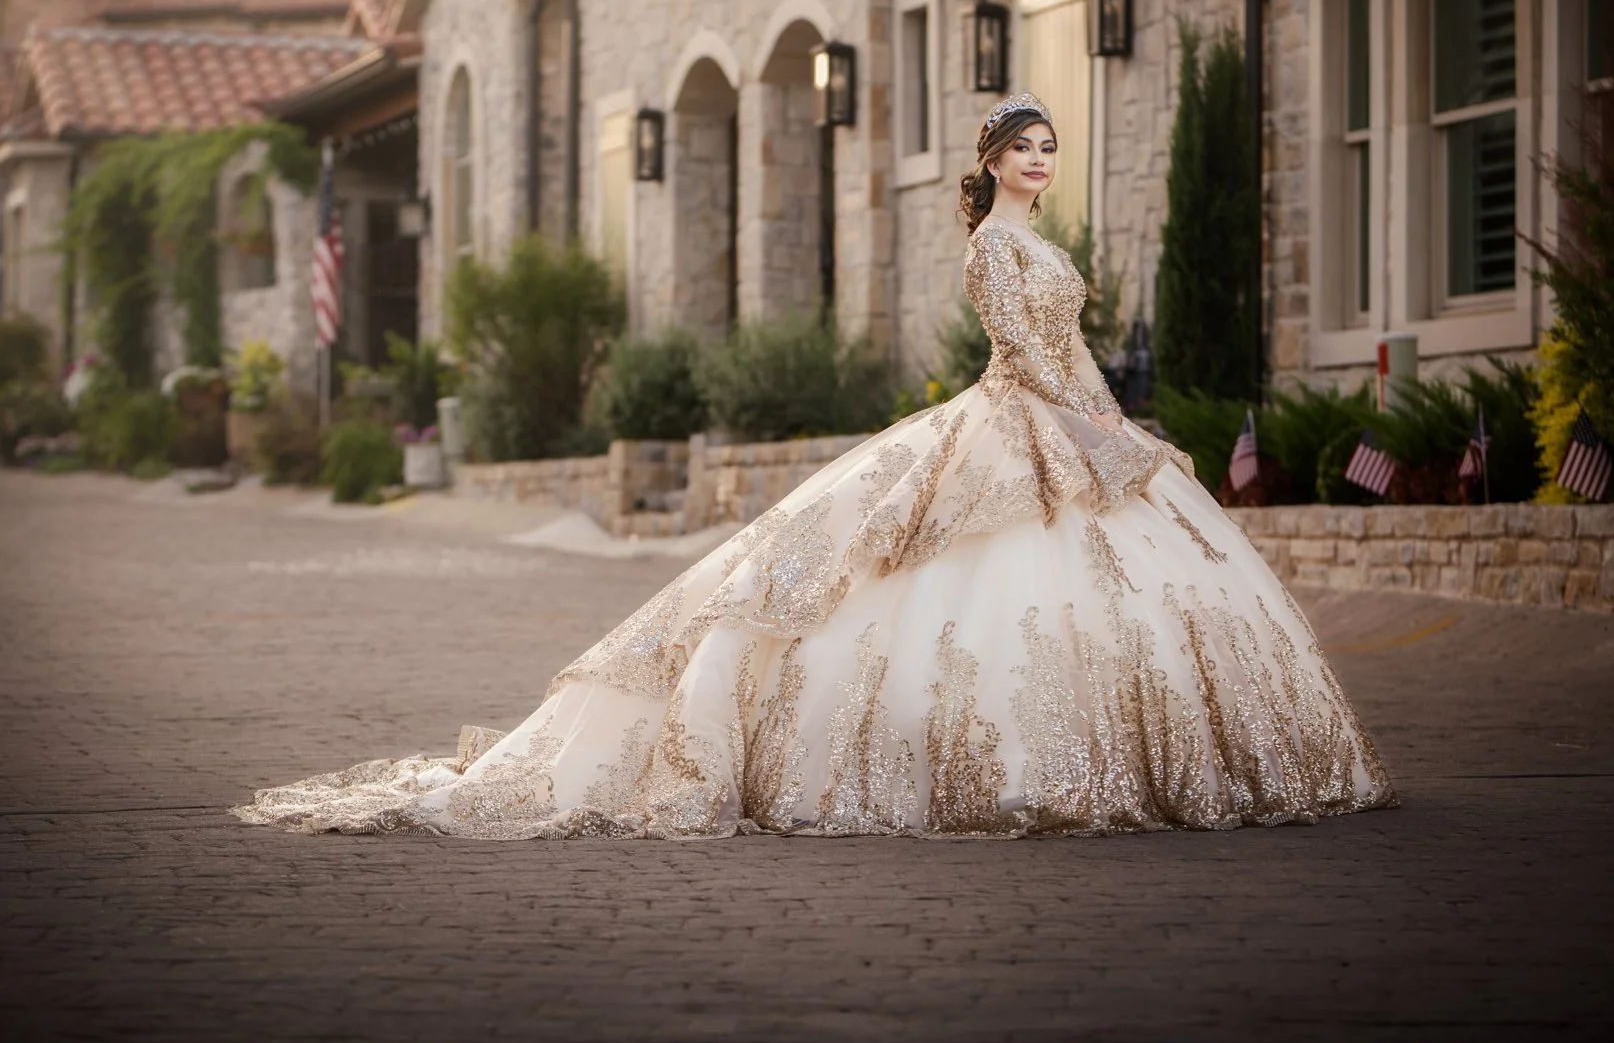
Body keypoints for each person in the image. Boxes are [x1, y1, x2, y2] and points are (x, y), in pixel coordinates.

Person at [234, 93, 1394, 839]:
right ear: (987, 161)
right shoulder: (992, 247)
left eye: (1048, 148)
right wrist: (1094, 433)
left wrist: (1121, 430)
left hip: (1070, 418)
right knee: (902, 581)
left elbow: (1075, 353)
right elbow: (1026, 362)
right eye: (1021, 148)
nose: (1040, 161)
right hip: (1012, 428)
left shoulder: (1045, 244)